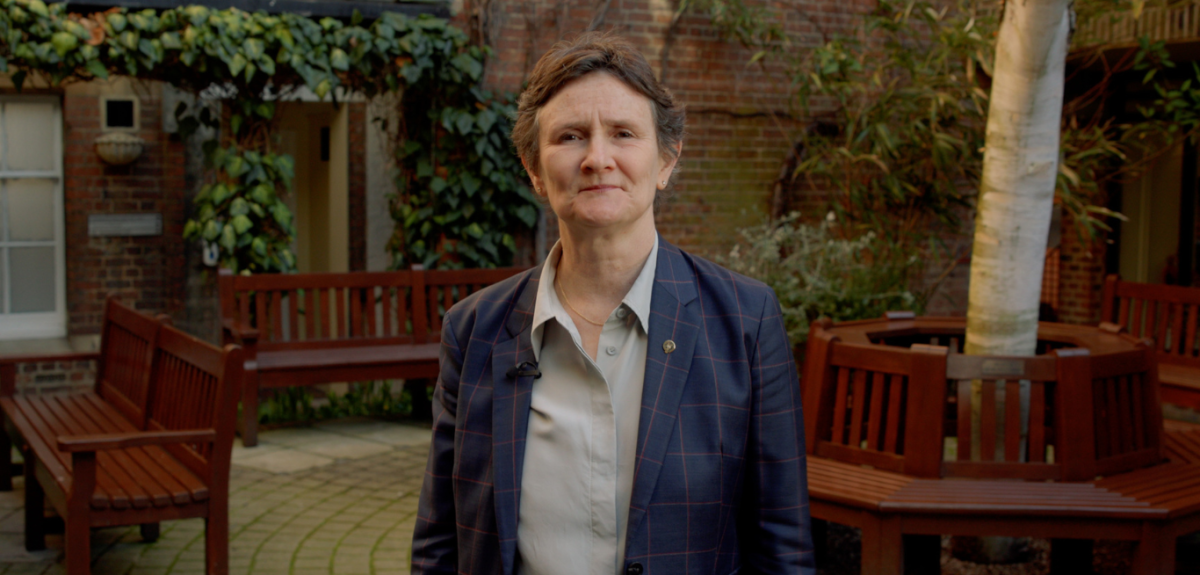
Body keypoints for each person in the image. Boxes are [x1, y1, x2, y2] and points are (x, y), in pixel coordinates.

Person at [411, 33, 814, 575]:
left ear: (666, 161)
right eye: (571, 136)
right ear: (534, 169)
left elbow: (782, 543)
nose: (597, 158)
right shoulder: (475, 331)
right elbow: (441, 540)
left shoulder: (744, 321)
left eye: (623, 133)